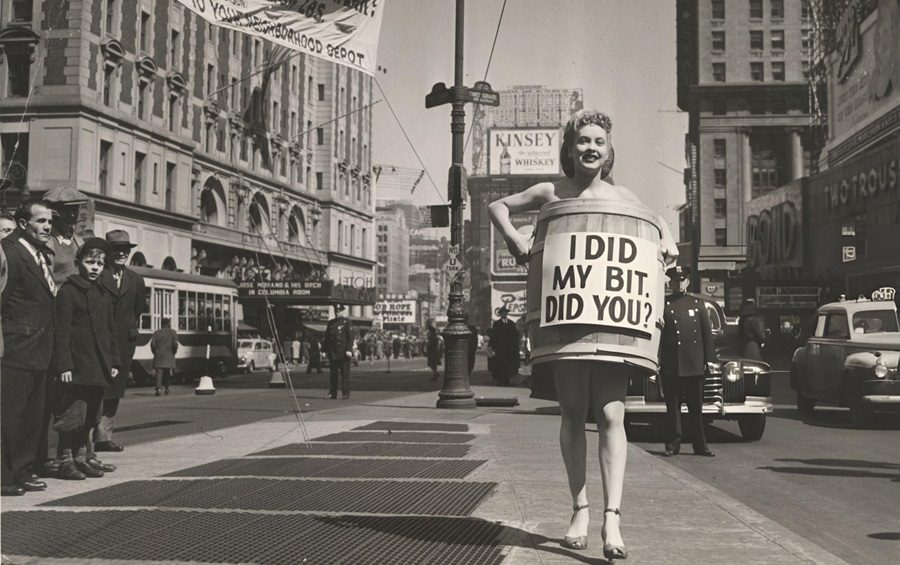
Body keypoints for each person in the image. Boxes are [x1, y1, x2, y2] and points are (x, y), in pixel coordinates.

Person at [488, 110, 678, 559]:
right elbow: (497, 207)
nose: (591, 148)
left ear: (609, 151)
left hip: (613, 320)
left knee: (612, 414)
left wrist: (666, 241)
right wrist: (516, 240)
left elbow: (655, 229)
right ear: (570, 149)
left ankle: (613, 518)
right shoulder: (550, 191)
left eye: (599, 142)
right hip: (565, 318)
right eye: (583, 141)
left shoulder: (624, 196)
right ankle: (580, 508)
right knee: (573, 413)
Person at [1, 199, 56, 496]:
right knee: (10, 416)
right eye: (41, 221)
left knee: (32, 415)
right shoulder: (10, 252)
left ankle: (22, 471)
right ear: (24, 223)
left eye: (49, 222)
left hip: (38, 349)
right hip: (15, 348)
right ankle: (4, 476)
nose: (47, 227)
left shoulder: (39, 254)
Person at [52, 238, 120, 480]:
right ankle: (65, 460)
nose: (95, 268)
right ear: (79, 261)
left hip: (98, 365)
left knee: (91, 414)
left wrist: (113, 362)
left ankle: (82, 456)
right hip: (78, 365)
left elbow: (109, 331)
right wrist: (65, 364)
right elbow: (61, 332)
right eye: (90, 262)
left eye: (100, 264)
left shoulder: (103, 292)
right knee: (72, 414)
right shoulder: (69, 291)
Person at [94, 230, 146, 453]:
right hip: (99, 342)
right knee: (96, 389)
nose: (122, 253)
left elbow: (137, 310)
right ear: (107, 252)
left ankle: (104, 438)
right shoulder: (97, 275)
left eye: (126, 249)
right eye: (117, 249)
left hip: (124, 344)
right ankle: (88, 440)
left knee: (115, 391)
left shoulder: (135, 279)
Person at [660, 266, 717, 459]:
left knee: (696, 408)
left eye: (682, 280)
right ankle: (673, 444)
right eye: (675, 280)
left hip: (693, 363)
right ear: (670, 282)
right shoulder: (663, 304)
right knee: (673, 408)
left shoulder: (698, 304)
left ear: (688, 282)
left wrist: (709, 360)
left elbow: (706, 335)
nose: (679, 283)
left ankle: (700, 444)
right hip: (672, 362)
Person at [324, 304, 352, 399]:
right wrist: (324, 350)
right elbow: (327, 338)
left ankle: (345, 393)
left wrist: (349, 349)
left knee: (345, 374)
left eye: (339, 311)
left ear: (343, 312)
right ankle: (332, 392)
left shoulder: (347, 322)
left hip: (343, 352)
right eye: (336, 311)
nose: (337, 313)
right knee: (333, 374)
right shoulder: (331, 323)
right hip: (333, 352)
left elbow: (350, 338)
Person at [488, 306, 519, 386]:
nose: (504, 314)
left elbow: (515, 336)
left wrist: (515, 347)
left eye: (506, 312)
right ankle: (501, 380)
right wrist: (492, 346)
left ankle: (507, 380)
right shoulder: (496, 324)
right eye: (503, 313)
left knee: (508, 364)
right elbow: (494, 336)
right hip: (500, 348)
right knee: (500, 364)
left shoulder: (512, 323)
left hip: (510, 349)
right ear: (500, 314)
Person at [150, 317, 179, 396]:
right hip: (169, 355)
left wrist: (155, 352)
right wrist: (174, 352)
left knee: (159, 373)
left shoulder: (157, 333)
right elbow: (175, 344)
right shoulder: (173, 332)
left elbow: (152, 344)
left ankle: (158, 389)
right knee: (167, 373)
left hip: (158, 355)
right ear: (168, 324)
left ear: (162, 324)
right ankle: (167, 388)